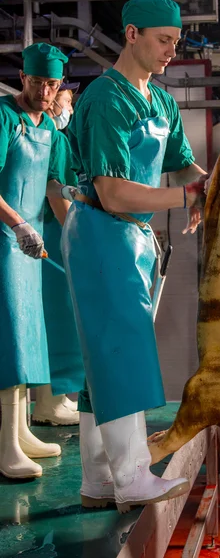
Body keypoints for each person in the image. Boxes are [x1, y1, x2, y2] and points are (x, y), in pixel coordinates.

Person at [62, 0, 208, 512]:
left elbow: (185, 165)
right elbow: (114, 192)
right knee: (120, 351)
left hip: (132, 241)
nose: (172, 50)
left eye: (175, 41)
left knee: (100, 360)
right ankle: (131, 477)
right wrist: (187, 197)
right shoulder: (106, 100)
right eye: (163, 40)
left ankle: (98, 479)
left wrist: (216, 186)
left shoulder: (162, 101)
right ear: (130, 34)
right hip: (101, 232)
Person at [0, 43, 74, 479]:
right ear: (23, 78)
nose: (45, 91)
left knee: (29, 333)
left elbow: (54, 192)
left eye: (53, 84)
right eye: (38, 82)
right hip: (5, 239)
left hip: (31, 244)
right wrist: (17, 225)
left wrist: (77, 240)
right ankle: (5, 443)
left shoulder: (51, 131)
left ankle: (22, 430)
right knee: (9, 335)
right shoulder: (4, 117)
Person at [32, 83, 84, 426]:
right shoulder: (55, 139)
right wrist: (77, 242)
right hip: (53, 236)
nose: (67, 109)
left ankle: (53, 400)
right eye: (65, 102)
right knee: (59, 323)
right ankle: (48, 404)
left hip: (44, 234)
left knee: (55, 324)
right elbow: (56, 196)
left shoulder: (47, 138)